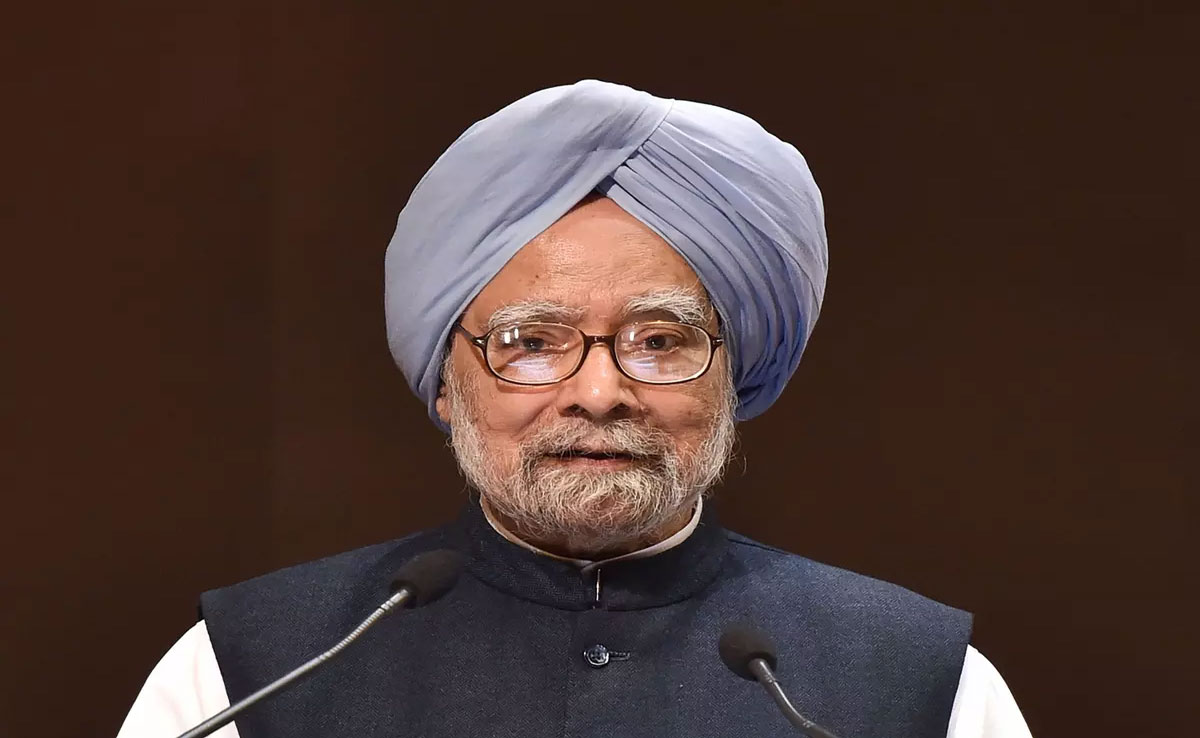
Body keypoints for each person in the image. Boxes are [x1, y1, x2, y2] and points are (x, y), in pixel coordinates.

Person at [118, 80, 1031, 738]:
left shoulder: (921, 682)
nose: (598, 393)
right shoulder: (251, 669)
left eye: (662, 341)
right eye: (530, 342)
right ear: (447, 378)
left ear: (734, 373)